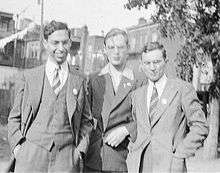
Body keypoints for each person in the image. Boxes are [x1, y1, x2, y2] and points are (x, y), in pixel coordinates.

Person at [7, 20, 93, 173]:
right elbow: (14, 117)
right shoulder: (29, 77)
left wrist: (79, 152)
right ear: (45, 43)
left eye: (65, 43)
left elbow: (87, 121)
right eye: (55, 43)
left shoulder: (79, 80)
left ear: (70, 43)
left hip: (66, 159)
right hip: (30, 157)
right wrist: (18, 148)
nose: (61, 48)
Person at [127, 41, 209, 173]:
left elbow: (200, 126)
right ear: (141, 65)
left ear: (166, 61)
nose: (152, 68)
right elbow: (137, 128)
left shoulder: (182, 89)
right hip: (139, 166)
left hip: (170, 166)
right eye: (147, 63)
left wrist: (180, 154)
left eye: (157, 62)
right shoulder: (136, 95)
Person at [84, 28, 143, 172]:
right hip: (93, 158)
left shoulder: (138, 81)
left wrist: (126, 130)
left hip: (121, 157)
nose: (116, 52)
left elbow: (147, 118)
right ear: (105, 50)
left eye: (120, 47)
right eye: (111, 47)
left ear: (128, 49)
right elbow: (85, 118)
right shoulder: (93, 79)